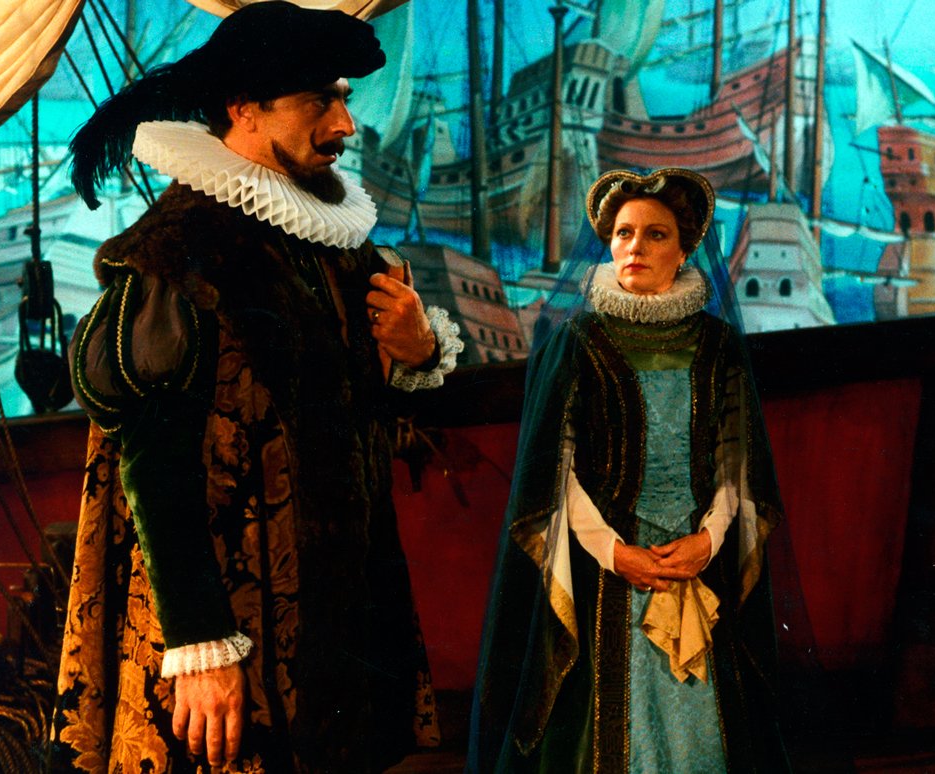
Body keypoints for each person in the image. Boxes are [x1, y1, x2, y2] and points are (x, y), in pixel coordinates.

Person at [50, 4, 462, 772]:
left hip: (338, 613)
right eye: (318, 102)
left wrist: (417, 351)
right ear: (244, 109)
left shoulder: (328, 234)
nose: (344, 125)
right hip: (234, 617)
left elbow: (362, 415)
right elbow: (153, 468)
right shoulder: (179, 251)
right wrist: (201, 645)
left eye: (343, 100)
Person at [468, 168, 791, 772]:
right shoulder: (577, 341)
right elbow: (554, 474)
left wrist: (709, 540)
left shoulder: (718, 344)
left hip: (697, 560)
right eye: (623, 233)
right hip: (606, 567)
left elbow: (736, 461)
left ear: (685, 248)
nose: (635, 246)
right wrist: (615, 553)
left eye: (655, 234)